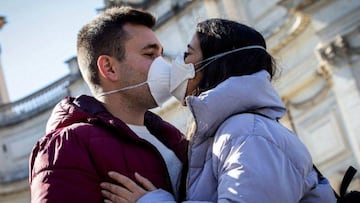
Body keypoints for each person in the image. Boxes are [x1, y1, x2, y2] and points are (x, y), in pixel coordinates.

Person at [100, 18, 337, 202]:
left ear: (213, 63)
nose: (175, 65)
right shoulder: (232, 132)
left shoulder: (249, 134)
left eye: (187, 54)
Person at [28, 7, 188, 203]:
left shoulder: (173, 137)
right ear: (109, 68)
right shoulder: (66, 147)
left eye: (161, 54)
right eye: (150, 55)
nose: (163, 65)